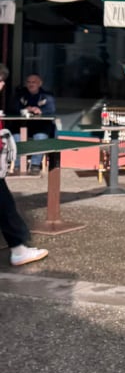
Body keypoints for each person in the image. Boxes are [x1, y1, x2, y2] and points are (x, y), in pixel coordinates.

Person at [0, 65, 48, 266]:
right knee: (5, 207)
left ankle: (19, 249)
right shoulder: (19, 96)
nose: (2, 85)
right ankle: (19, 250)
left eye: (3, 81)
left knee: (5, 207)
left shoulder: (47, 96)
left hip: (39, 128)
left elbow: (50, 111)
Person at [13, 72, 56, 172]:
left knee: (40, 137)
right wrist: (24, 109)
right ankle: (18, 165)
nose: (31, 84)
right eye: (28, 82)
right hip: (22, 125)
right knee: (16, 136)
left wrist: (40, 111)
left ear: (40, 83)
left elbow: (51, 110)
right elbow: (12, 108)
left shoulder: (46, 96)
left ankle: (35, 165)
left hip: (40, 126)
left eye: (34, 82)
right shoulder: (21, 95)